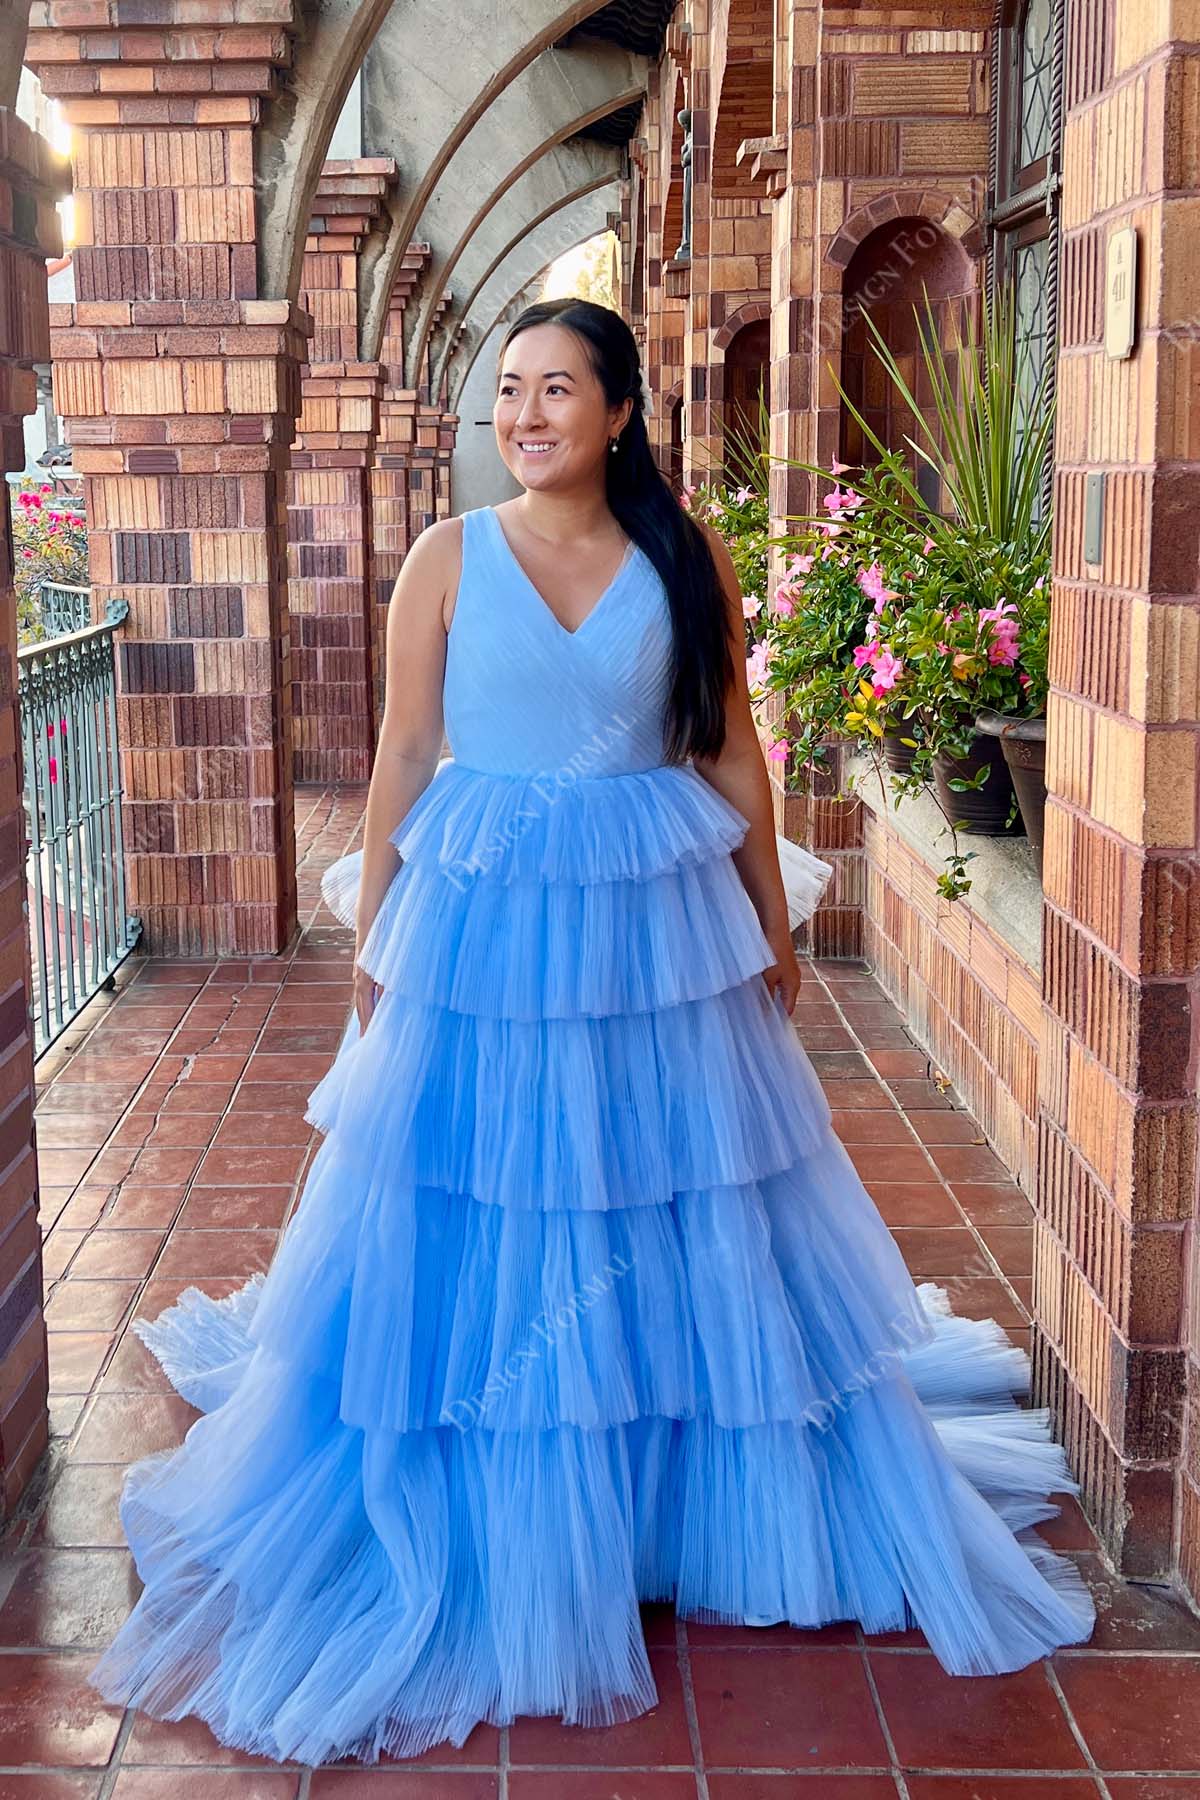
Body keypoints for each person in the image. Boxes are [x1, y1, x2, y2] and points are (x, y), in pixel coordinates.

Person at [88, 297, 1094, 1765]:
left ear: (621, 411)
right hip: (485, 918)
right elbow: (407, 751)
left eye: (558, 389)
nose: (526, 415)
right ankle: (508, 1475)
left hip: (651, 918)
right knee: (490, 1195)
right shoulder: (447, 556)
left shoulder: (686, 555)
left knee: (670, 1191)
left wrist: (771, 922)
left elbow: (728, 741)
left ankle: (665, 1500)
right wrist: (379, 931)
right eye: (510, 389)